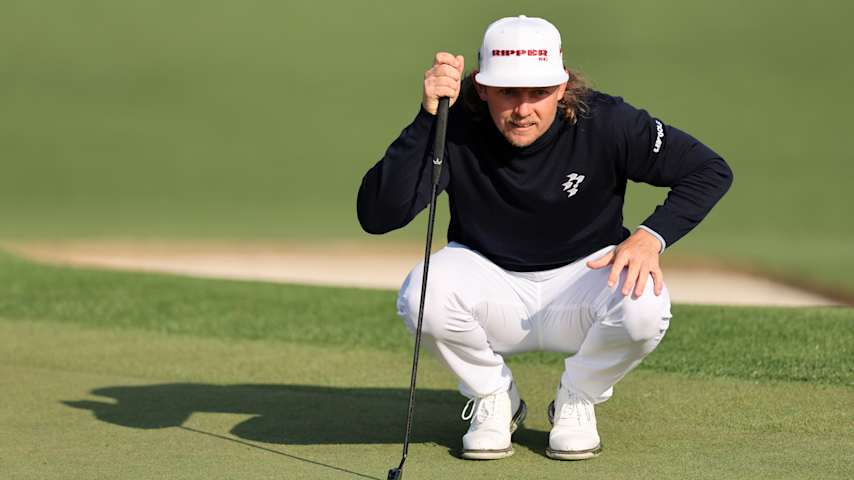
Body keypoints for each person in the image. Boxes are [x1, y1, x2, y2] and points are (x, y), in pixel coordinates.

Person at [357, 15, 732, 461]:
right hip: (488, 281)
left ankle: (577, 397)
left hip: (584, 282)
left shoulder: (607, 121)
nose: (523, 109)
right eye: (508, 93)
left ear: (563, 85)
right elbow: (379, 214)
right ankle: (495, 397)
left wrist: (651, 237)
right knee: (421, 294)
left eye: (539, 93)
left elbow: (709, 170)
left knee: (644, 304)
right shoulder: (453, 125)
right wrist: (427, 118)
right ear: (481, 87)